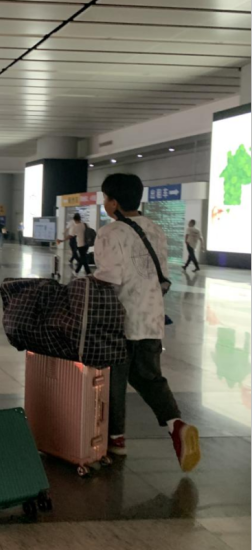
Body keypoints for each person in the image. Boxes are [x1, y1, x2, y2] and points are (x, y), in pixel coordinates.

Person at [95, 173, 201, 473]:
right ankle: (175, 424)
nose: (105, 203)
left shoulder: (110, 232)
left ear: (114, 202)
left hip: (120, 320)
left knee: (114, 380)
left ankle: (116, 439)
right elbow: (161, 274)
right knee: (148, 377)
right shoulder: (155, 229)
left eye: (106, 198)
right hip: (152, 316)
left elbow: (109, 279)